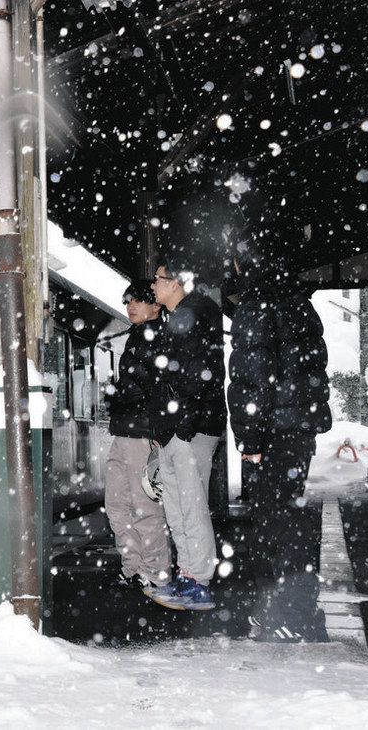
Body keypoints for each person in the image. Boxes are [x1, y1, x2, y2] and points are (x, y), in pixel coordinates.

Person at [228, 230, 332, 641]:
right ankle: (300, 610)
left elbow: (253, 380)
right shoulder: (298, 302)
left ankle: (286, 614)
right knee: (293, 520)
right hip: (296, 429)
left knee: (274, 525)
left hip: (274, 432)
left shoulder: (257, 306)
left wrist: (251, 442)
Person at [148, 258, 227, 611]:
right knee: (178, 507)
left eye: (158, 280)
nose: (153, 286)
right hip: (177, 428)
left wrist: (181, 426)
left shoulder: (191, 316)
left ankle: (199, 582)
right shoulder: (186, 316)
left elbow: (194, 377)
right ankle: (189, 575)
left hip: (189, 429)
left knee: (190, 507)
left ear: (176, 283)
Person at [103, 279, 171, 593]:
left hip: (142, 432)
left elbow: (147, 386)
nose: (130, 307)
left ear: (155, 305)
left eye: (138, 301)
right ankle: (134, 567)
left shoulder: (156, 338)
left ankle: (155, 572)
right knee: (116, 503)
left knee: (144, 507)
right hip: (125, 430)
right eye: (128, 301)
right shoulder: (136, 338)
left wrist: (115, 394)